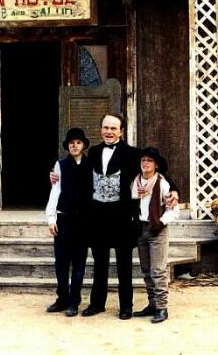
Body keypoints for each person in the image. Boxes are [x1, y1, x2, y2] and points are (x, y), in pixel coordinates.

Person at [50, 113, 179, 320]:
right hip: (97, 217)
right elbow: (76, 170)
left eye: (113, 128)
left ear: (121, 131)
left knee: (124, 264)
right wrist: (55, 175)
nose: (109, 132)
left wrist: (174, 189)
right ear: (101, 129)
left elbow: (154, 169)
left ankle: (126, 306)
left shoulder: (132, 153)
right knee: (100, 263)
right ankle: (97, 303)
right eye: (105, 128)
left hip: (122, 218)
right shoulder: (93, 152)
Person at [45, 127, 92, 317]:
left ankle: (74, 301)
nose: (75, 145)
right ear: (67, 146)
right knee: (61, 263)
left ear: (83, 145)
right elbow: (55, 191)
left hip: (83, 221)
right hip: (64, 219)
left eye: (78, 142)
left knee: (79, 263)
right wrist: (51, 217)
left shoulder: (91, 165)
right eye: (71, 143)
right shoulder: (60, 165)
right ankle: (62, 298)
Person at [131, 147, 180, 323]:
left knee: (158, 270)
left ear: (156, 165)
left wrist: (160, 223)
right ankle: (152, 304)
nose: (145, 163)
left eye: (149, 161)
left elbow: (174, 210)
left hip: (157, 229)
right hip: (141, 229)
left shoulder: (162, 183)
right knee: (146, 269)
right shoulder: (135, 183)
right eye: (143, 160)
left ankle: (161, 307)